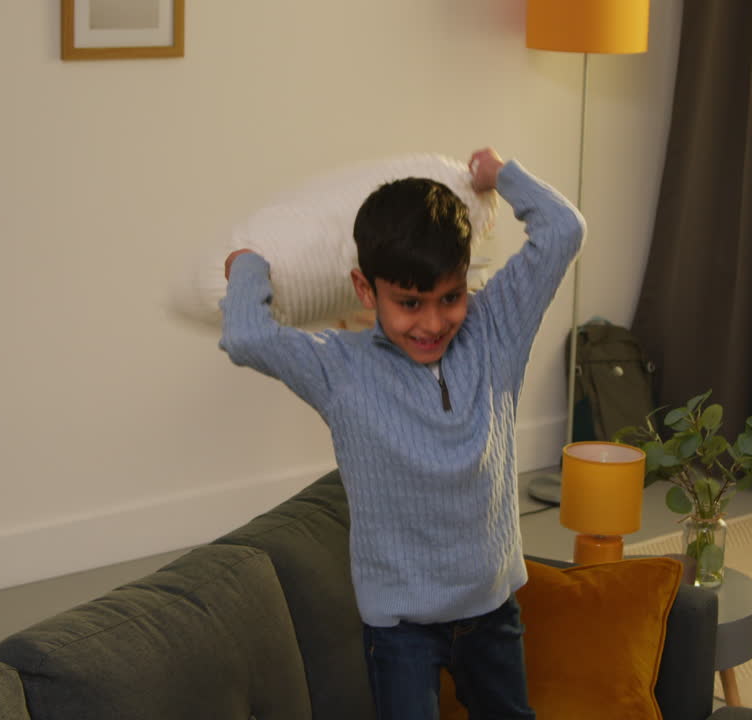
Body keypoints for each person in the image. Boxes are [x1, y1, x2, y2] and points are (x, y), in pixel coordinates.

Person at [220, 147, 584, 719]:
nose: (434, 322)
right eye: (409, 303)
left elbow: (564, 228)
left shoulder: (498, 330)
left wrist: (499, 174)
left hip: (490, 609)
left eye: (451, 297)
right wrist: (246, 265)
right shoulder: (338, 369)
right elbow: (246, 336)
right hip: (400, 628)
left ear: (468, 281)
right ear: (366, 291)